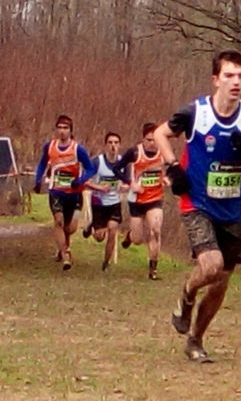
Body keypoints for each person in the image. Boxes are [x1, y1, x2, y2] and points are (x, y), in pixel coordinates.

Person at [154, 50, 241, 363]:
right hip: (197, 203)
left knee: (220, 284)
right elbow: (160, 134)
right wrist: (173, 166)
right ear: (215, 79)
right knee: (211, 265)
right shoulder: (196, 112)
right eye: (229, 76)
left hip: (232, 210)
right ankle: (187, 294)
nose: (235, 82)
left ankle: (196, 339)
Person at [33, 115, 95, 270]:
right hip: (56, 191)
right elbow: (41, 164)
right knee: (59, 221)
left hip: (74, 193)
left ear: (71, 130)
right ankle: (66, 254)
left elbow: (90, 169)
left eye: (65, 128)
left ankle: (62, 247)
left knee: (69, 228)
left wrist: (80, 180)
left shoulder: (78, 149)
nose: (62, 131)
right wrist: (38, 179)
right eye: (59, 128)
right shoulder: (50, 146)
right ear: (56, 130)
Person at [115, 123, 167, 280]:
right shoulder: (135, 152)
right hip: (137, 199)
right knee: (138, 239)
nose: (152, 143)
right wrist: (131, 184)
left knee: (155, 230)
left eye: (155, 140)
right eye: (149, 140)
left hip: (155, 198)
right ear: (143, 139)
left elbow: (173, 169)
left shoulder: (164, 151)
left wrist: (168, 178)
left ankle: (153, 269)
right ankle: (131, 236)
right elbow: (117, 168)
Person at [83, 131, 125, 271]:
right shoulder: (97, 162)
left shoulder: (123, 162)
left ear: (119, 145)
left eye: (116, 143)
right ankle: (91, 226)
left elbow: (130, 182)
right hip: (98, 203)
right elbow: (86, 182)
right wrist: (99, 187)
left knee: (113, 230)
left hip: (114, 202)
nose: (113, 146)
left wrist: (123, 186)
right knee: (99, 237)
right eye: (110, 143)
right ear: (105, 145)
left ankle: (106, 264)